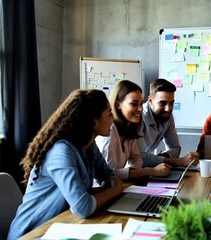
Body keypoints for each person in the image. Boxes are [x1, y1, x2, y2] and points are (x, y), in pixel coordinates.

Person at [8, 89, 124, 239]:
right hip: (33, 232)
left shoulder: (88, 145)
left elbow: (107, 174)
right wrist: (116, 190)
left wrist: (110, 183)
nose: (113, 119)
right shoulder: (61, 151)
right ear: (94, 123)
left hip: (62, 227)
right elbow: (83, 208)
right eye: (109, 114)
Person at [96, 80, 171, 179]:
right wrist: (150, 171)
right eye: (134, 104)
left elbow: (136, 159)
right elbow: (109, 173)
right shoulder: (109, 130)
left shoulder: (130, 127)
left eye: (141, 104)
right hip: (101, 189)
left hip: (119, 185)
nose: (140, 109)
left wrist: (132, 174)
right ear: (118, 104)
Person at [137, 78, 199, 167]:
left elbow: (175, 148)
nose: (168, 108)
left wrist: (162, 158)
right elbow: (139, 157)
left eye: (171, 103)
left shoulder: (167, 116)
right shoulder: (139, 117)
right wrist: (179, 161)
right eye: (162, 103)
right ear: (150, 101)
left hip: (145, 167)